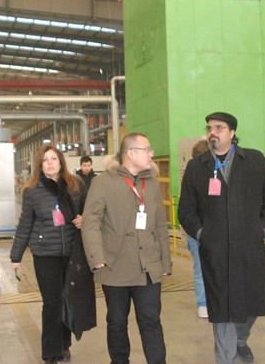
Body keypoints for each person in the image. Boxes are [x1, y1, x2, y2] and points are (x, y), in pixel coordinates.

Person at [178, 112, 265, 364]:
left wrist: (263, 231)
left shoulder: (254, 160)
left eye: (219, 127)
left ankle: (240, 340)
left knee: (251, 303)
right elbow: (186, 210)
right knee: (222, 308)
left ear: (232, 133)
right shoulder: (197, 166)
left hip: (249, 247)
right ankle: (227, 358)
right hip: (216, 251)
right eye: (209, 128)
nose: (212, 132)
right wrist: (203, 235)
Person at [82, 133, 172, 364]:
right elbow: (91, 222)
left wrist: (165, 261)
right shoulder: (102, 183)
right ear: (130, 153)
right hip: (115, 265)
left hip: (147, 266)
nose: (151, 154)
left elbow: (160, 225)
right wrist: (97, 257)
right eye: (147, 149)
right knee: (117, 322)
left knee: (151, 321)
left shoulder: (152, 184)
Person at [10, 145, 93, 364]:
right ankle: (51, 352)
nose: (49, 163)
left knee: (68, 300)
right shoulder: (32, 191)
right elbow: (25, 225)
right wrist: (16, 257)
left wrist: (84, 219)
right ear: (40, 165)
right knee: (52, 303)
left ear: (61, 162)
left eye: (53, 159)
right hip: (45, 254)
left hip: (72, 254)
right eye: (45, 160)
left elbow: (91, 211)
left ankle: (64, 346)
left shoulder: (76, 185)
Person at [187, 139, 210, 319]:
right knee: (201, 269)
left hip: (200, 230)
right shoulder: (193, 176)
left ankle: (206, 303)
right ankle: (203, 303)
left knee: (201, 268)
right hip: (199, 231)